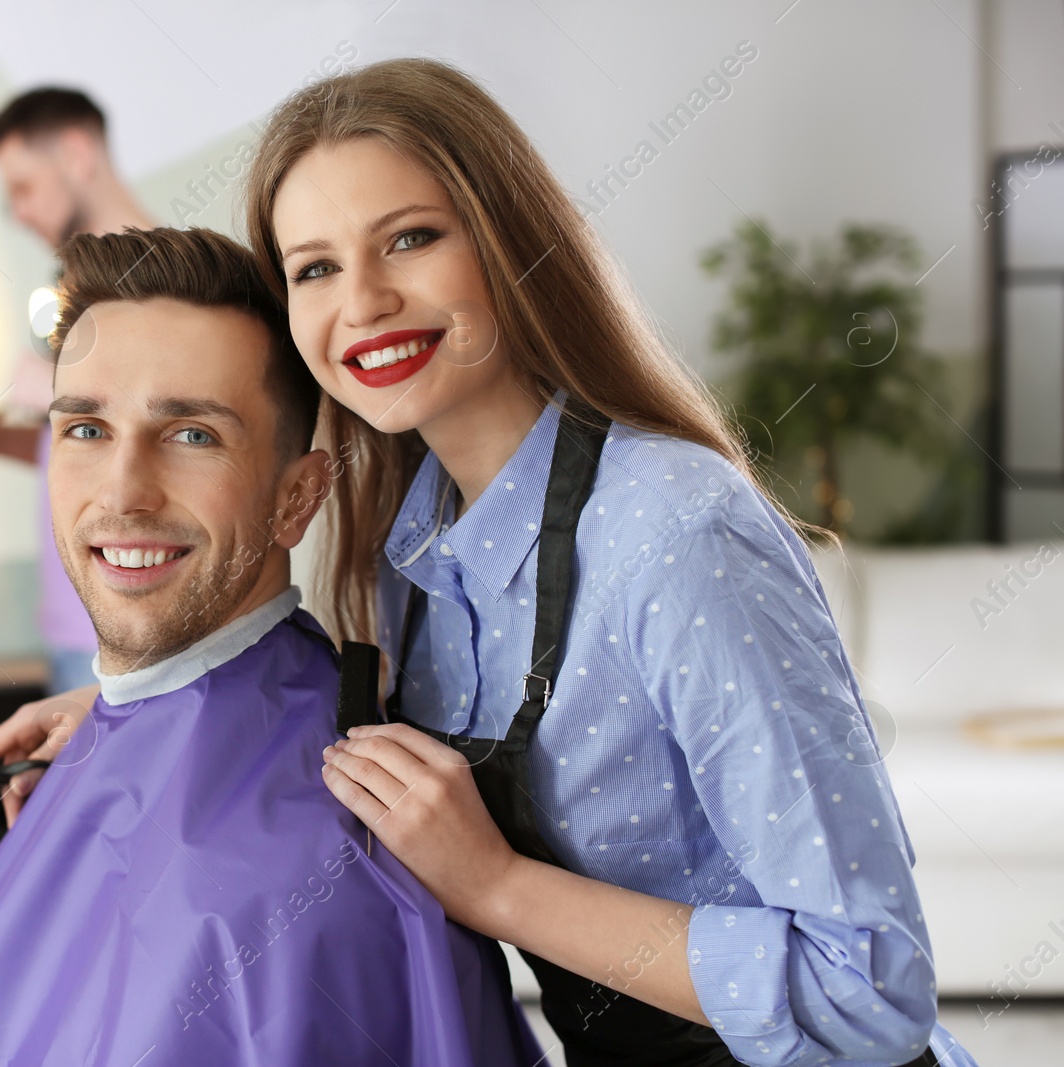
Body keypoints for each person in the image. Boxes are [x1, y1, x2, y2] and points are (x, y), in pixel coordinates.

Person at [235, 57, 975, 1067]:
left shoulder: (674, 530)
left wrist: (495, 884)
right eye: (312, 267)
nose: (359, 301)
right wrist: (137, 723)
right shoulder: (410, 554)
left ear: (507, 245)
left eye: (409, 238)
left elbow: (867, 987)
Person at [0, 227, 540, 1065]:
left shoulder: (311, 890)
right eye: (86, 429)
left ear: (297, 496)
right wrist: (115, 719)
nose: (124, 492)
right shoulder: (93, 747)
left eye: (193, 434)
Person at [0, 87, 155, 695]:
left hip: (128, 626)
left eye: (21, 187)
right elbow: (84, 444)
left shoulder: (157, 280)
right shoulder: (79, 289)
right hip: (74, 624)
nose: (17, 211)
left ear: (76, 154)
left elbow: (157, 422)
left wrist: (49, 387)